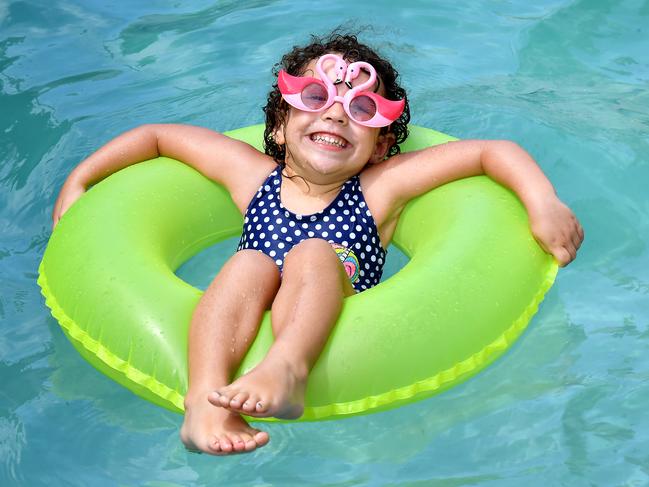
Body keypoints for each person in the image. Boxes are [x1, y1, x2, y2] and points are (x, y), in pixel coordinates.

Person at [51, 32, 584, 456]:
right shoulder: (253, 177)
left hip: (334, 319)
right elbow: (158, 137)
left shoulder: (378, 190)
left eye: (362, 110)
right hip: (249, 300)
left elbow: (491, 151)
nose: (334, 114)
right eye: (314, 97)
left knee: (312, 253)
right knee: (248, 263)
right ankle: (205, 400)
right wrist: (80, 181)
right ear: (279, 127)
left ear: (381, 146)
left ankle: (288, 367)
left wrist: (543, 203)